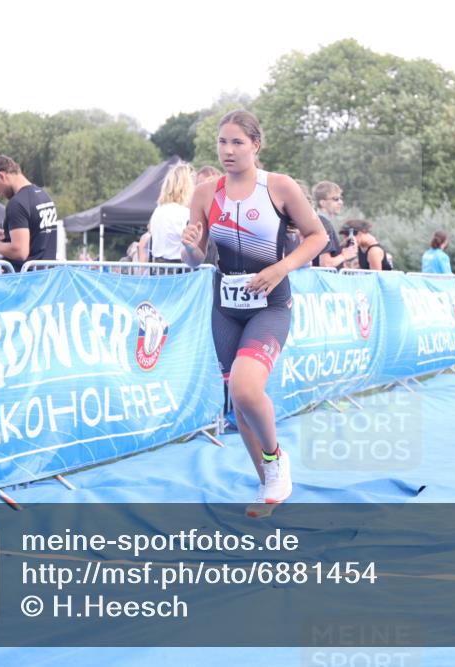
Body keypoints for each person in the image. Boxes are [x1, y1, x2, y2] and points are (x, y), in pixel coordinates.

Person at [179, 110, 327, 509]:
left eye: (237, 142)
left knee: (247, 388)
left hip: (270, 304)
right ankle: (268, 487)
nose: (228, 150)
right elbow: (194, 260)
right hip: (226, 306)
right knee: (239, 404)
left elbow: (318, 236)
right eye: (222, 142)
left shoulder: (279, 186)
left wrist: (280, 268)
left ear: (255, 145)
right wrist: (189, 248)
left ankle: (275, 459)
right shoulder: (205, 193)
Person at [0, 155, 58, 273]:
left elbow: (20, 251)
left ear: (1, 176)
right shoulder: (44, 196)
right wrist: (6, 235)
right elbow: (38, 237)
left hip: (24, 279)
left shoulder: (17, 203)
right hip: (46, 277)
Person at [149, 163, 196, 263]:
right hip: (178, 267)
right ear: (187, 186)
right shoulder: (184, 213)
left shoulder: (158, 211)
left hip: (158, 265)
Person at [311, 181, 356, 270]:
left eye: (341, 198)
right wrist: (345, 255)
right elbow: (325, 263)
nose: (340, 202)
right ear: (322, 203)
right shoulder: (324, 224)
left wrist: (340, 247)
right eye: (336, 199)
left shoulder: (317, 221)